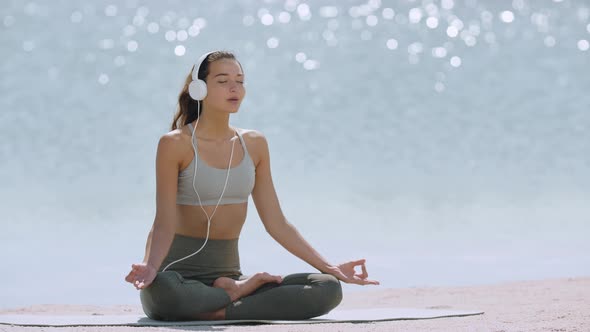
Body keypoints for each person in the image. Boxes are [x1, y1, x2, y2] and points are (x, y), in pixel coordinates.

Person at [124, 50, 379, 321]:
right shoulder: (174, 144)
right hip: (176, 276)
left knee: (326, 288)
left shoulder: (254, 144)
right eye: (222, 81)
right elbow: (164, 222)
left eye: (240, 80)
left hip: (231, 276)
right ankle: (234, 297)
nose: (234, 88)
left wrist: (331, 267)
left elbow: (277, 223)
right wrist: (151, 267)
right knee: (165, 295)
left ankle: (225, 299)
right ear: (199, 88)